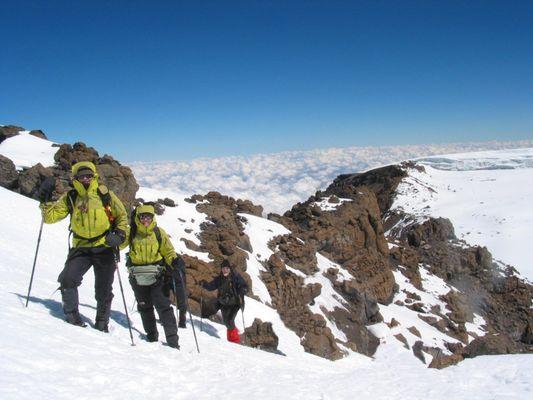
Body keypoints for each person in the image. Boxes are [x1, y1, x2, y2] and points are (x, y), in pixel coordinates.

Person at [39, 161, 128, 331]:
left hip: (104, 247)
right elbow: (50, 218)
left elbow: (122, 216)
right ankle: (72, 318)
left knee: (103, 289)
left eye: (88, 175)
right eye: (82, 176)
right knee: (67, 279)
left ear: (93, 176)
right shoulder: (71, 197)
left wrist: (120, 235)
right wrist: (44, 200)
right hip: (81, 248)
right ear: (76, 178)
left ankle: (102, 323)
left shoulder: (104, 194)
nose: (86, 178)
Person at [126, 203, 186, 349]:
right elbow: (120, 243)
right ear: (138, 218)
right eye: (142, 217)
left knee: (163, 307)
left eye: (148, 217)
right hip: (137, 277)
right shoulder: (131, 232)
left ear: (153, 217)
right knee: (145, 307)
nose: (145, 219)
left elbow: (168, 251)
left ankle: (173, 341)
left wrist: (174, 260)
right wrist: (114, 239)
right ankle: (151, 336)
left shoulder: (158, 233)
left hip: (157, 276)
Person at [200, 259, 248, 344]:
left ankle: (235, 342)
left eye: (226, 268)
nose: (225, 270)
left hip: (235, 303)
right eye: (223, 268)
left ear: (229, 269)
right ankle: (231, 341)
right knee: (227, 323)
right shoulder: (219, 279)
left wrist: (242, 289)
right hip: (224, 303)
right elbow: (211, 286)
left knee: (230, 321)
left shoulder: (235, 277)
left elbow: (245, 286)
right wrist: (204, 284)